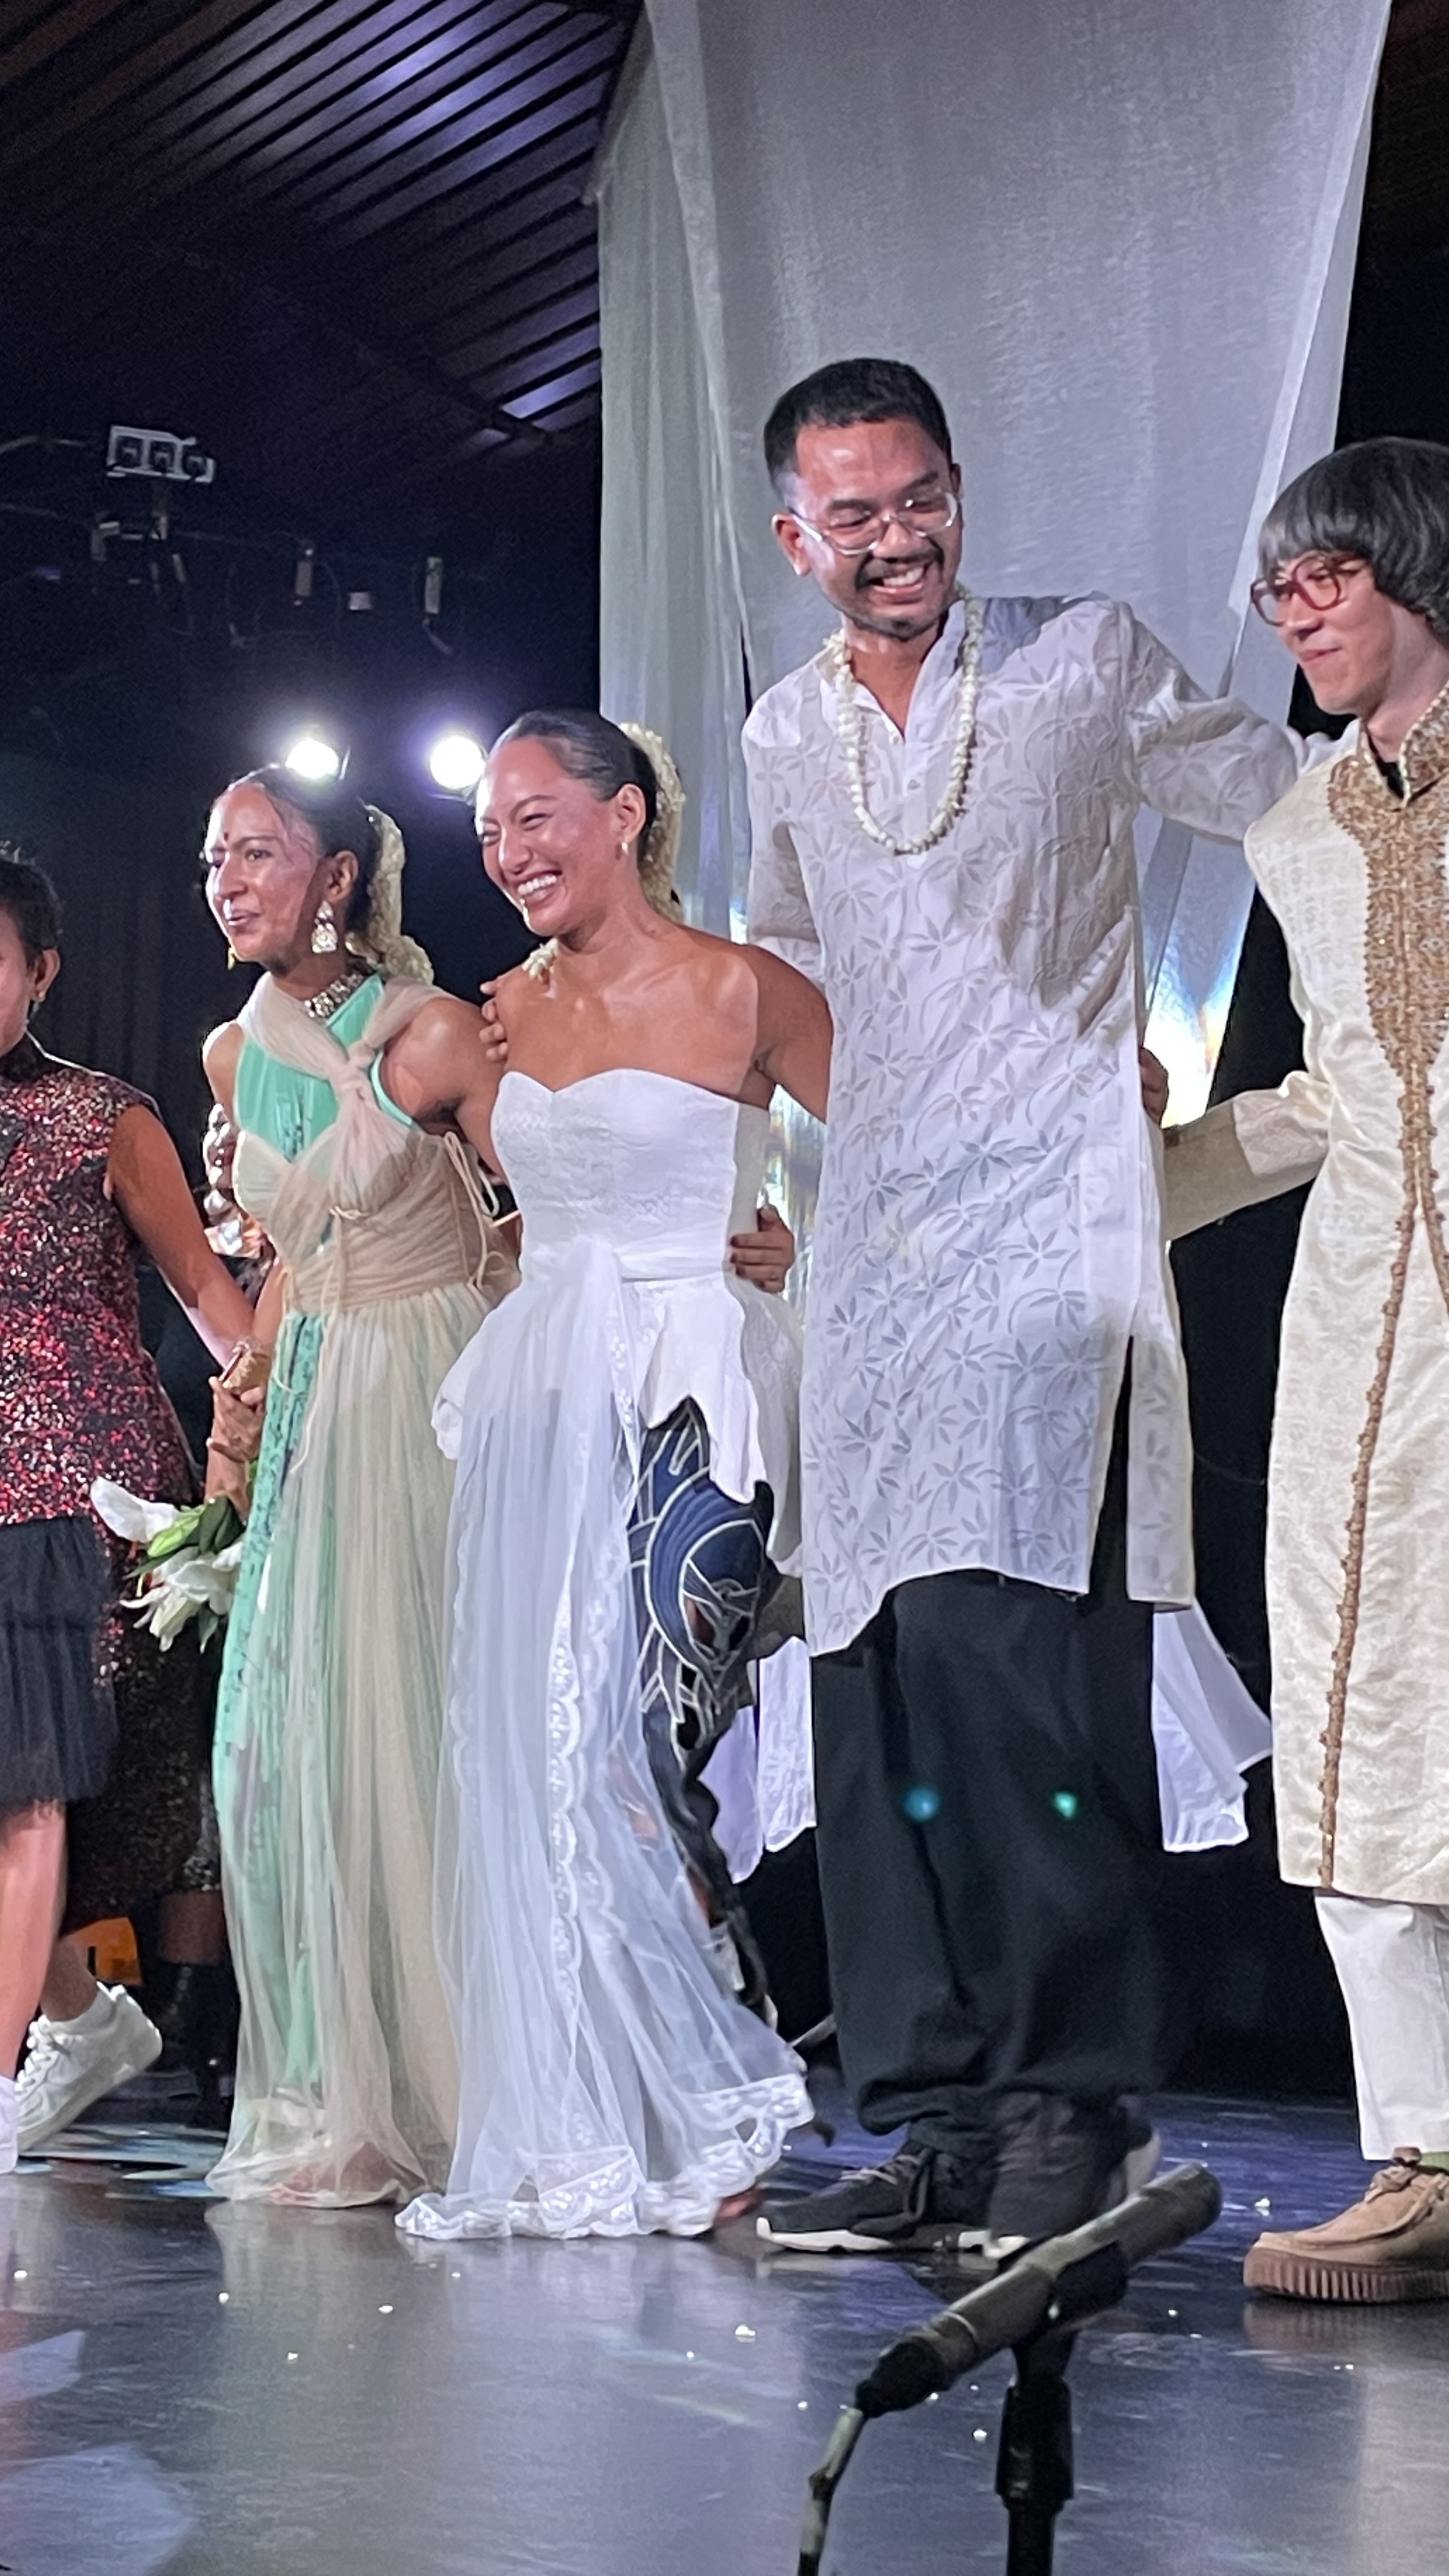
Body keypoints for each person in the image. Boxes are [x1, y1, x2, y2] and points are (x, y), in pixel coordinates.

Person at [744, 358, 1310, 2255]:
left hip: (1051, 1231)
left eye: (920, 499)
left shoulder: (1081, 661)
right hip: (877, 1255)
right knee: (880, 1686)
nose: (894, 539)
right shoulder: (782, 734)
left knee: (1019, 1669)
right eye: (854, 513)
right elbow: (786, 970)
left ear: (958, 494)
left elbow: (1287, 808)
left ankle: (1072, 2106)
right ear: (796, 538)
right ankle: (933, 2122)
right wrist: (827, 1162)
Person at [397, 712, 826, 2242]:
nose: (508, 852)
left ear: (625, 814)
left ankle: (727, 2081)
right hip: (551, 1400)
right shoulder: (502, 1015)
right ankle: (647, 2098)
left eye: (536, 817)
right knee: (551, 1757)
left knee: (645, 1741)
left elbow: (902, 1154)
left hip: (702, 1389)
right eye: (488, 832)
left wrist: (795, 1242)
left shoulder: (745, 988)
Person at [1162, 438, 1449, 2301]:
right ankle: (1422, 2150)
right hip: (1364, 1308)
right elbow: (1334, 1093)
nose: (1295, 611)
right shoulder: (1297, 830)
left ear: (1415, 566)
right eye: (1277, 587)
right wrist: (1124, 1179)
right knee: (1360, 1693)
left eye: (1326, 574)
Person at [200, 767, 520, 2207]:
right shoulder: (233, 1052)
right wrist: (247, 1402)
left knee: (418, 1726)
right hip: (316, 1394)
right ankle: (343, 2090)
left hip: (429, 1381)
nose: (228, 879)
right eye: (216, 858)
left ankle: (461, 2081)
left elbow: (545, 1209)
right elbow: (288, 1261)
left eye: (258, 853)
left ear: (336, 877)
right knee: (298, 1743)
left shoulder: (431, 1027)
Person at [0, 853, 256, 2174]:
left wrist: (288, 1428)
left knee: (28, 1790)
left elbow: (211, 1301)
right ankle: (83, 2020)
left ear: (41, 972)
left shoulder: (105, 1117)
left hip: (69, 1493)